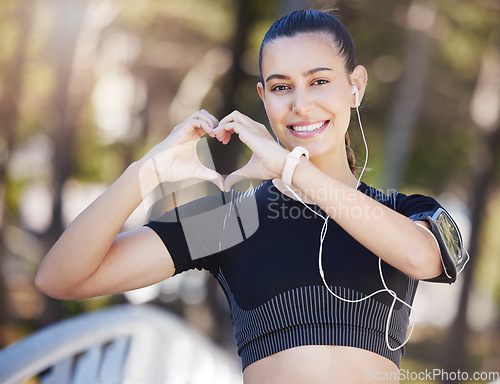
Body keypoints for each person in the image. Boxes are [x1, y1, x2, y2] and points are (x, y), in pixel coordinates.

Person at [35, 9, 467, 384]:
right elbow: (61, 277)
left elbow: (421, 258)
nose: (301, 104)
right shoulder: (231, 220)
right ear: (264, 98)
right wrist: (147, 171)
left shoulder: (403, 212)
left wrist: (290, 168)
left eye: (319, 81)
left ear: (356, 86)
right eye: (281, 87)